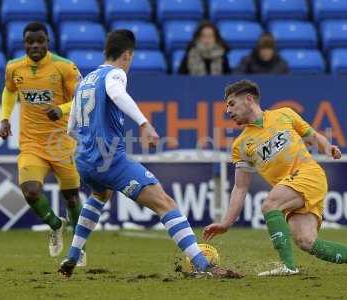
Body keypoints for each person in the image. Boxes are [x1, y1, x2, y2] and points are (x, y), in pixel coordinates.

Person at [58, 29, 240, 279]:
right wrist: (144, 123)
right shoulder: (115, 74)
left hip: (84, 160)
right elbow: (117, 94)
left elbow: (71, 128)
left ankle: (73, 254)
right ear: (128, 55)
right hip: (110, 159)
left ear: (105, 51)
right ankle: (202, 263)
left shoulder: (86, 80)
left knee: (100, 195)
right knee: (165, 203)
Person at [203, 79, 347, 276]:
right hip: (292, 188)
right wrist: (226, 222)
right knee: (307, 242)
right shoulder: (240, 145)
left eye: (231, 103)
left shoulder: (284, 114)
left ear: (249, 99)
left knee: (270, 205)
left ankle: (288, 267)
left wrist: (327, 147)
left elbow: (314, 136)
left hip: (309, 174)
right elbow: (240, 188)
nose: (227, 110)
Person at [0, 22, 86, 265]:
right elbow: (9, 91)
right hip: (31, 144)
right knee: (31, 191)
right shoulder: (14, 67)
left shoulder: (64, 67)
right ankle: (56, 226)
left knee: (72, 198)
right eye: (30, 41)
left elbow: (83, 97)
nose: (35, 45)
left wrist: (62, 108)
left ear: (48, 42)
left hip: (62, 143)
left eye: (40, 41)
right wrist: (5, 118)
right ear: (24, 43)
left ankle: (78, 249)